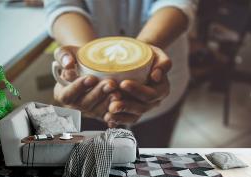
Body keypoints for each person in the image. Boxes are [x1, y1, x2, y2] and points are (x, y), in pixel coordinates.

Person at [44, 0, 198, 147]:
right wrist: (83, 58)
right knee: (97, 165)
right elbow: (62, 4)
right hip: (89, 99)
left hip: (162, 80)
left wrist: (145, 54)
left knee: (150, 160)